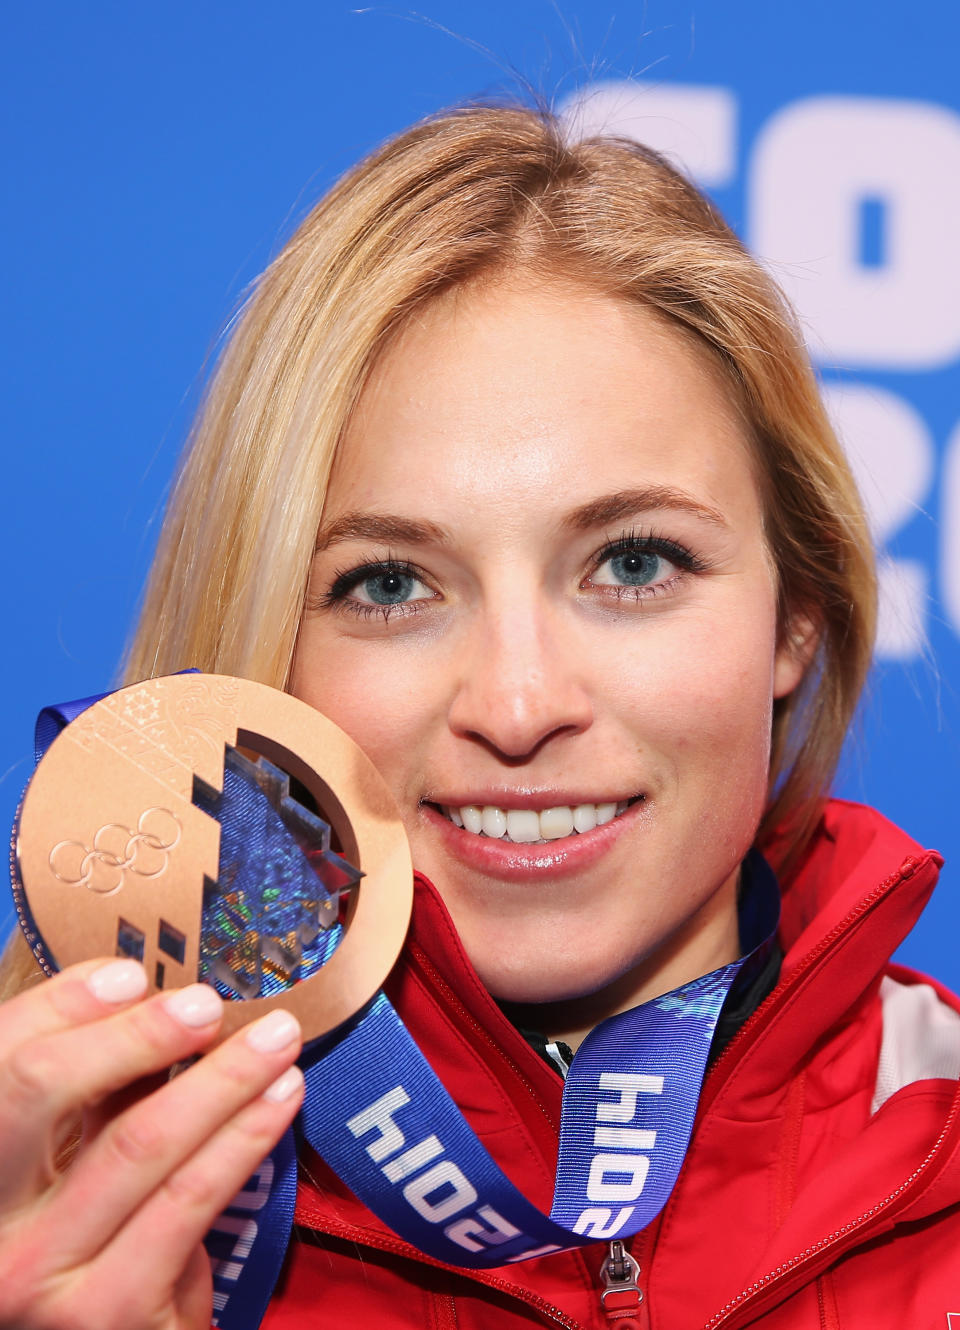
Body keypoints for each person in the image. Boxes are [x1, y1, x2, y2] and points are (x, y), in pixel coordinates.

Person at [1, 103, 959, 1330]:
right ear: (262, 659)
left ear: (796, 621)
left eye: (633, 563)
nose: (518, 705)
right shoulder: (62, 1214)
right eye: (390, 584)